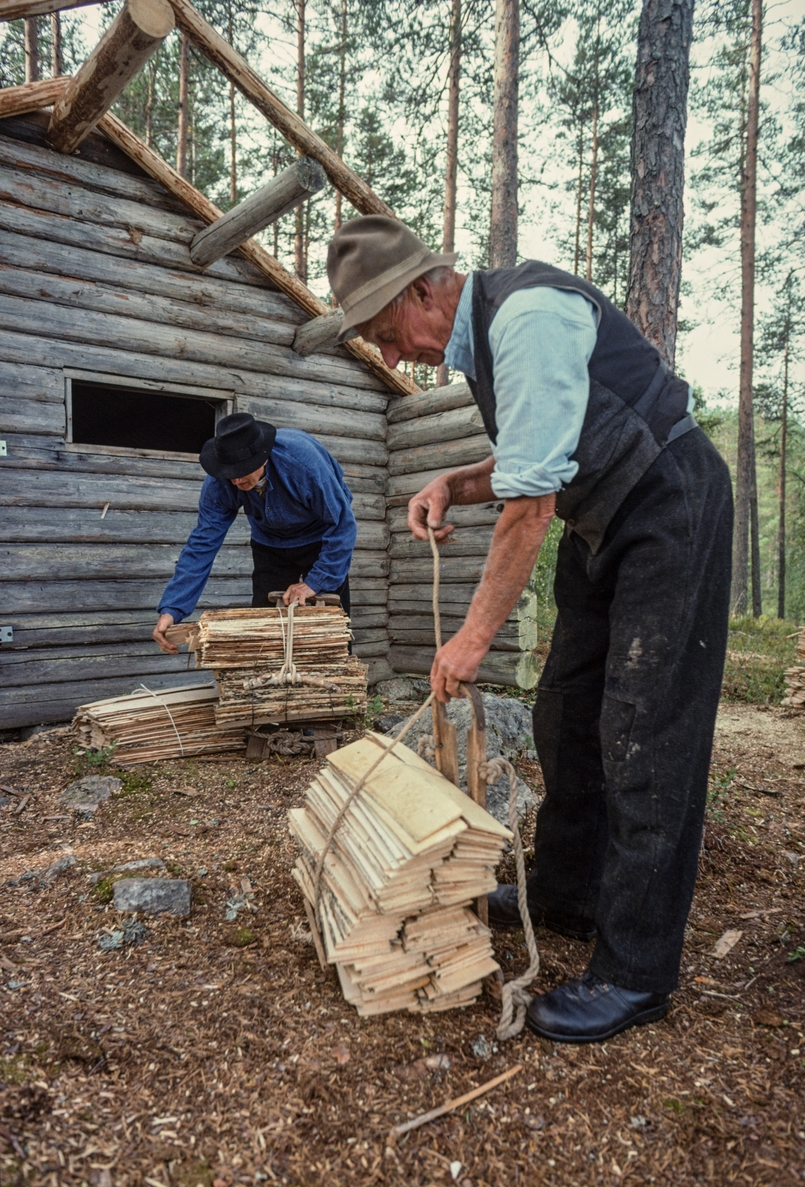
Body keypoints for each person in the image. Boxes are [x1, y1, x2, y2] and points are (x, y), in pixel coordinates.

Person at [326, 216, 733, 1044]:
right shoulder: (486, 341)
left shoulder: (527, 319)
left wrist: (472, 638)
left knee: (644, 735)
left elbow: (530, 506)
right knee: (564, 710)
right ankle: (567, 893)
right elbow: (528, 460)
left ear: (420, 290)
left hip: (668, 506)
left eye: (385, 333)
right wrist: (452, 482)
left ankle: (634, 973)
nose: (393, 357)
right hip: (604, 522)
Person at [152, 412, 357, 652]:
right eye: (230, 473)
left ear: (263, 459)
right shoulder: (221, 481)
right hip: (270, 543)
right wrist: (172, 608)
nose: (236, 480)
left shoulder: (304, 463)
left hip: (321, 538)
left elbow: (342, 524)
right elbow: (202, 543)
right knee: (264, 627)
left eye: (242, 470)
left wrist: (316, 582)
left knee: (332, 628)